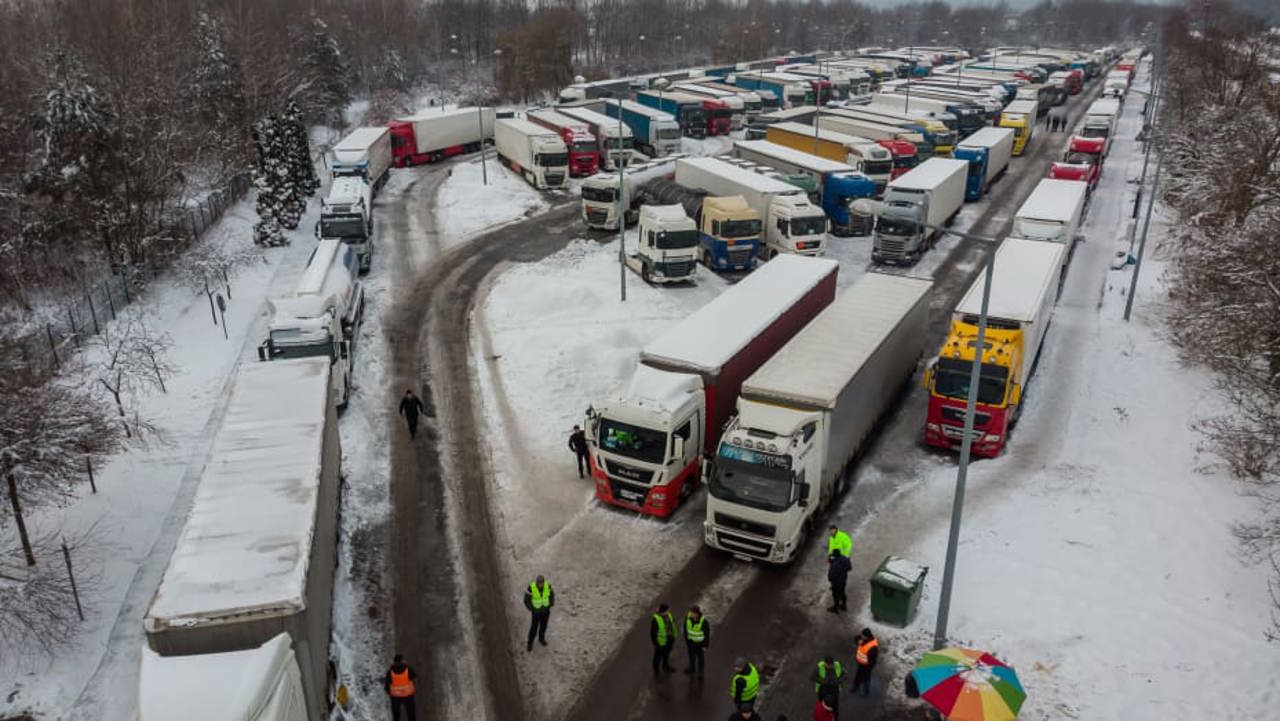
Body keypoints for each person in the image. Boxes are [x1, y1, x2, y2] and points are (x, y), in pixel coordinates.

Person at [523, 574, 554, 652]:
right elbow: (526, 600)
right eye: (539, 583)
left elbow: (551, 596)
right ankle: (530, 643)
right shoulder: (531, 588)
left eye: (542, 583)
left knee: (543, 626)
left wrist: (550, 604)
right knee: (534, 628)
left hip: (545, 612)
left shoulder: (548, 586)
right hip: (536, 613)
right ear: (537, 583)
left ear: (543, 582)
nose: (540, 585)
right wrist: (532, 608)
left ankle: (541, 639)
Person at [385, 654, 417, 721]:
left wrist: (389, 691)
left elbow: (387, 685)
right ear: (402, 661)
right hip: (408, 696)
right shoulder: (408, 669)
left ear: (394, 662)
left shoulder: (390, 672)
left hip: (395, 697)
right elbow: (414, 677)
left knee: (396, 716)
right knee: (411, 715)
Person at [684, 605, 711, 677]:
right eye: (691, 612)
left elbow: (707, 634)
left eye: (693, 613)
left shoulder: (704, 622)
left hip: (700, 644)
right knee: (691, 657)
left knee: (700, 658)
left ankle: (700, 672)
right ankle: (692, 668)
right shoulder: (687, 618)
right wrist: (687, 640)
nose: (691, 614)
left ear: (697, 614)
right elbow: (685, 629)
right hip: (691, 642)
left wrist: (705, 645)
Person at [650, 602, 677, 674]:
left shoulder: (669, 615)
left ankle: (666, 666)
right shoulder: (656, 619)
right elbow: (653, 633)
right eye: (667, 610)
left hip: (669, 639)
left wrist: (674, 636)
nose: (669, 611)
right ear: (663, 611)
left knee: (666, 654)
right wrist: (656, 643)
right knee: (657, 657)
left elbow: (672, 625)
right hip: (660, 642)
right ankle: (656, 671)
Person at [852, 628, 879, 697]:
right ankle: (855, 687)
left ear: (866, 636)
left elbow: (872, 660)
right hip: (860, 663)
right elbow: (856, 638)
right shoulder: (863, 639)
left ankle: (866, 692)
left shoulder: (873, 647)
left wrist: (869, 667)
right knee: (858, 676)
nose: (861, 636)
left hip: (867, 666)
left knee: (866, 679)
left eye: (862, 635)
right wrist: (857, 641)